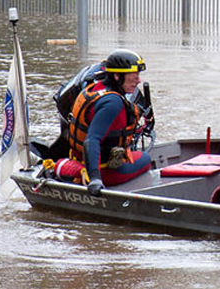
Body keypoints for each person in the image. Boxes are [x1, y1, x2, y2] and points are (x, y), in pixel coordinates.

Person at [66, 49, 154, 196]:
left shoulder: (94, 88)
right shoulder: (112, 102)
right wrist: (95, 178)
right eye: (134, 76)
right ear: (117, 76)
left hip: (76, 158)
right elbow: (92, 140)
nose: (138, 81)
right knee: (145, 158)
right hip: (102, 170)